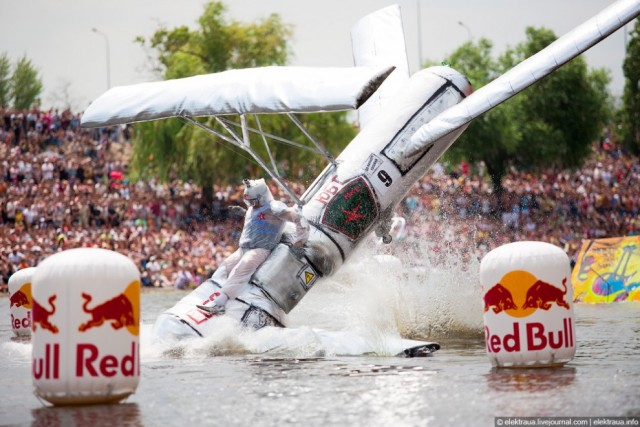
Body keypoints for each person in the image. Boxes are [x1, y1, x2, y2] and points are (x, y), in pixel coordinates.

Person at [196, 178, 309, 314]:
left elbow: (298, 219)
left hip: (260, 249)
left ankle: (220, 304)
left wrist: (300, 241)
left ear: (262, 196)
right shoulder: (252, 208)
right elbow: (260, 219)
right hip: (243, 249)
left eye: (253, 201)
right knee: (223, 269)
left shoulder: (274, 207)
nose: (251, 205)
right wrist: (244, 212)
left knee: (240, 270)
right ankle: (207, 296)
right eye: (248, 202)